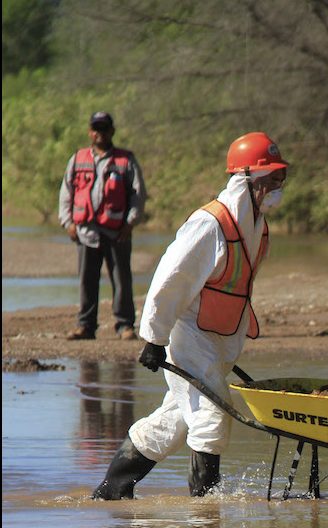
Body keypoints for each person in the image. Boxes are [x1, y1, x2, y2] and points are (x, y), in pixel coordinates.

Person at [92, 132, 288, 499]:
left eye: (280, 178)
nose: (278, 186)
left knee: (176, 419)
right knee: (212, 414)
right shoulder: (210, 224)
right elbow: (171, 281)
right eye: (271, 178)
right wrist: (154, 338)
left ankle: (113, 489)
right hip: (189, 336)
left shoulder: (257, 228)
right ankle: (206, 508)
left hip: (219, 339)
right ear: (246, 178)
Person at [58, 111, 147, 341]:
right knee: (86, 281)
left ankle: (125, 325)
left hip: (117, 232)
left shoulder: (126, 160)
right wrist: (68, 222)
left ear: (112, 131)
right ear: (90, 132)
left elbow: (138, 194)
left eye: (104, 128)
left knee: (121, 280)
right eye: (96, 128)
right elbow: (66, 192)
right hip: (85, 232)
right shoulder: (78, 159)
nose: (100, 133)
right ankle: (86, 326)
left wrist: (130, 222)